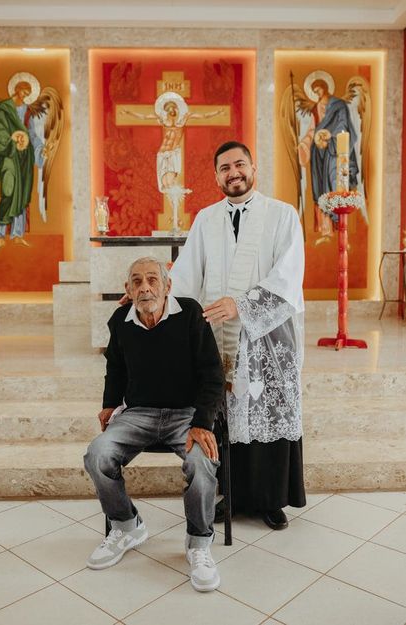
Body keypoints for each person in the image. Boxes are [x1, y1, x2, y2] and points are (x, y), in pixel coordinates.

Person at [170, 140, 306, 529]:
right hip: (220, 337)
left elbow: (288, 274)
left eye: (240, 164)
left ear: (253, 168)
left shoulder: (282, 214)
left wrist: (243, 305)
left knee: (267, 411)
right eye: (225, 168)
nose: (234, 173)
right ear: (216, 176)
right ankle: (232, 496)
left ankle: (271, 500)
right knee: (227, 417)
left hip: (268, 337)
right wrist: (156, 296)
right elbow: (186, 273)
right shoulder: (205, 219)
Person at [84, 257, 224, 592]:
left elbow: (212, 373)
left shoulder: (190, 314)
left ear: (167, 285)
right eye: (137, 281)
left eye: (152, 280)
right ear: (128, 289)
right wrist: (109, 403)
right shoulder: (121, 320)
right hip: (139, 413)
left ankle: (198, 543)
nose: (145, 288)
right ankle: (126, 525)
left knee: (201, 461)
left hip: (186, 414)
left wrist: (202, 422)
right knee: (97, 454)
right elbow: (115, 367)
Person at [123, 91, 223, 192]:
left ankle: (177, 195)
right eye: (169, 109)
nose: (171, 111)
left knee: (170, 182)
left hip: (174, 153)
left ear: (177, 109)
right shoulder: (163, 120)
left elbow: (203, 116)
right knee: (164, 184)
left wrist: (217, 112)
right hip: (162, 153)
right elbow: (144, 117)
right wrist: (128, 112)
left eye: (173, 108)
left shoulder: (183, 119)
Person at [297, 78, 359, 240]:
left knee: (334, 184)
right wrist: (304, 144)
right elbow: (312, 130)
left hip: (335, 152)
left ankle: (340, 227)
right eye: (314, 91)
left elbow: (344, 126)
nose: (316, 93)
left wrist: (329, 135)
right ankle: (326, 229)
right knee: (321, 189)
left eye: (318, 90)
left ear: (325, 87)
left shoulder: (339, 105)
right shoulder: (316, 108)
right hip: (319, 154)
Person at [0, 80, 44, 253]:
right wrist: (12, 140)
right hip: (8, 156)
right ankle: (1, 237)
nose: (25, 96)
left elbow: (32, 134)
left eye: (28, 93)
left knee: (22, 195)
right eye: (23, 92)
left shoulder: (27, 111)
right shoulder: (3, 108)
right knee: (8, 191)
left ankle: (17, 234)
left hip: (24, 158)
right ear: (17, 89)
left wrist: (40, 148)